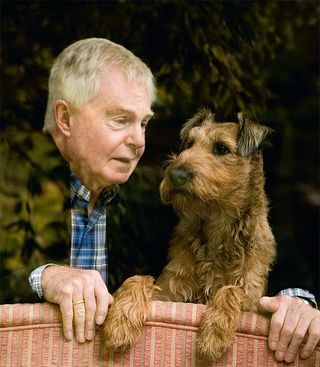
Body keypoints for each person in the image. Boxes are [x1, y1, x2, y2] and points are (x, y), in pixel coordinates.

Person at [28, 38, 319, 363]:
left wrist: (300, 301)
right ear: (65, 120)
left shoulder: (156, 203)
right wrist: (45, 275)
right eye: (120, 120)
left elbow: (276, 253)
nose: (139, 141)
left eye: (143, 123)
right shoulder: (23, 191)